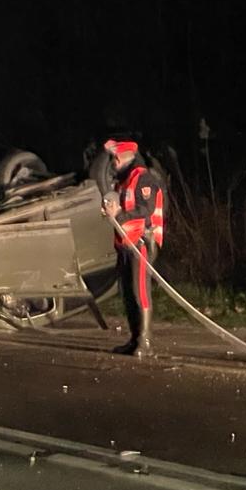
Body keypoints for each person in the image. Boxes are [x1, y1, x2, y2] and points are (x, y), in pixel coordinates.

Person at [102, 136, 165, 356]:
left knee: (140, 292)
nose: (112, 164)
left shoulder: (143, 179)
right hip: (124, 244)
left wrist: (120, 214)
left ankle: (145, 342)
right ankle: (134, 338)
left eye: (114, 160)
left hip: (142, 243)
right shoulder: (122, 182)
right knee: (127, 293)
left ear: (122, 158)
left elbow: (145, 210)